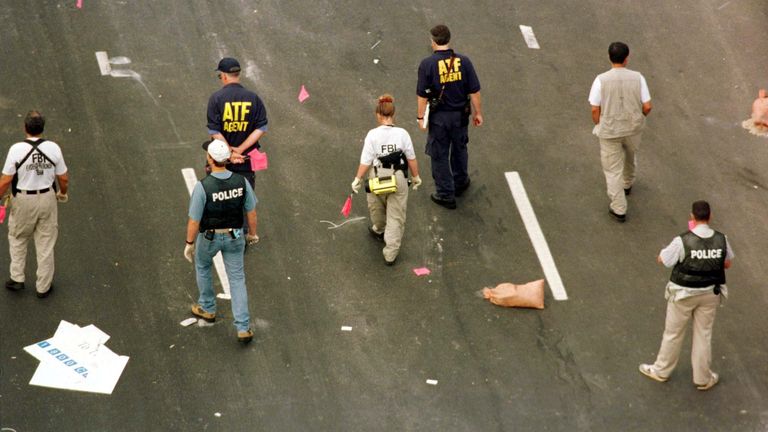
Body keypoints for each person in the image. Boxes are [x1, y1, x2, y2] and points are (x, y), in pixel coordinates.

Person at [639, 201, 733, 391]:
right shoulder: (722, 239)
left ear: (692, 217)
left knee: (673, 334)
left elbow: (663, 260)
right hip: (710, 293)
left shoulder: (682, 241)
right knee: (703, 335)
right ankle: (703, 378)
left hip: (683, 295)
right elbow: (727, 264)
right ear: (710, 216)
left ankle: (661, 371)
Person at [184, 139, 260, 343]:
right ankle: (243, 327)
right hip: (235, 236)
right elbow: (251, 212)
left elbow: (194, 220)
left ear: (210, 159)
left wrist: (189, 243)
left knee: (202, 266)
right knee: (236, 279)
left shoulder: (203, 187)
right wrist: (252, 234)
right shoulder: (241, 182)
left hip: (209, 237)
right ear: (227, 159)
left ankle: (207, 307)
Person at [0, 110, 68, 298]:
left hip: (23, 199)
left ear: (25, 128)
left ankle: (17, 278)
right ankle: (43, 287)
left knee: (18, 237)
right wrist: (62, 193)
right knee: (46, 242)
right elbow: (63, 177)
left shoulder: (16, 149)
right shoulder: (54, 148)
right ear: (42, 128)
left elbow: (6, 181)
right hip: (47, 197)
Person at [416, 24, 482, 210]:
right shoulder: (464, 62)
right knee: (460, 149)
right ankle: (461, 181)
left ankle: (445, 194)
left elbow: (422, 95)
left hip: (439, 119)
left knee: (439, 154)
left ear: (433, 42)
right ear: (449, 39)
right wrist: (478, 113)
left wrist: (421, 118)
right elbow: (475, 92)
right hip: (460, 116)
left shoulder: (427, 64)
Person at [351, 95, 422, 265]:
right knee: (396, 216)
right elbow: (411, 158)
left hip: (377, 176)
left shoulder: (372, 135)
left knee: (376, 206)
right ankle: (390, 254)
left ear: (378, 114)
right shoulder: (402, 134)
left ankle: (379, 228)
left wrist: (357, 179)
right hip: (397, 178)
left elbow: (366, 161)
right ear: (393, 114)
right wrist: (416, 176)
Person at [588, 42, 652, 222]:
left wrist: (599, 122)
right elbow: (647, 105)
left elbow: (594, 108)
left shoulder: (601, 80)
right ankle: (628, 183)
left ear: (609, 57)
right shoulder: (638, 78)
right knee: (631, 155)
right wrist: (640, 117)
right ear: (626, 59)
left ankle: (619, 208)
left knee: (612, 169)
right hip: (633, 128)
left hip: (610, 130)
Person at [206, 57, 268, 189]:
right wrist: (240, 149)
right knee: (245, 202)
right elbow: (261, 128)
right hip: (245, 162)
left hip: (220, 162)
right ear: (237, 75)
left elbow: (214, 131)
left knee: (218, 202)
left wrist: (230, 152)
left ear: (223, 76)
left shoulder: (216, 98)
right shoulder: (253, 98)